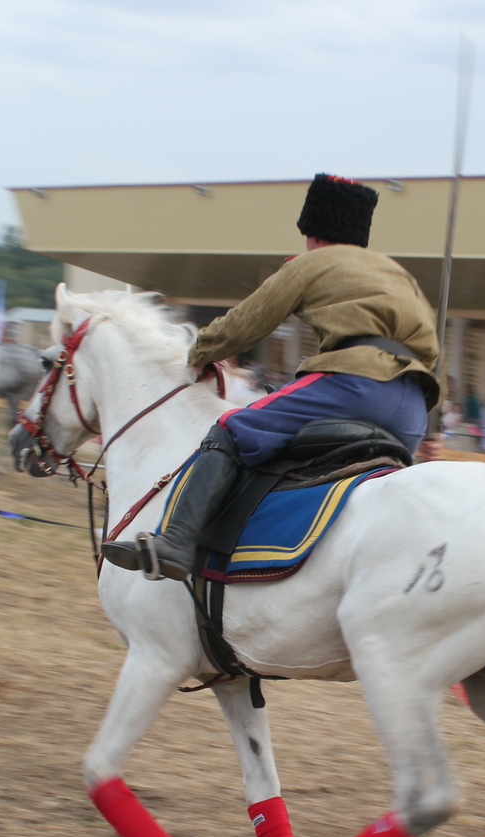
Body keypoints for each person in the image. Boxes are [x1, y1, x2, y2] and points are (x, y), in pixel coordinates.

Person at [103, 173, 440, 582]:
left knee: (231, 428)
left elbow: (246, 323)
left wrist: (198, 354)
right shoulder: (399, 275)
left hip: (357, 386)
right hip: (414, 410)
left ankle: (175, 542)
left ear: (312, 233)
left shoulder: (313, 263)